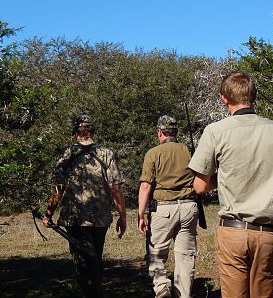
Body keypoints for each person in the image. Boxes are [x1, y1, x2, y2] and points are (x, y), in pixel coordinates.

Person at [188, 71, 273, 298]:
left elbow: (199, 186)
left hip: (234, 232)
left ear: (224, 98)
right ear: (253, 96)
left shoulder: (215, 131)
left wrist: (225, 176)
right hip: (269, 234)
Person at [42, 115, 126, 298]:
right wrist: (122, 216)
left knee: (84, 266)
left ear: (75, 134)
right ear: (92, 132)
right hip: (100, 220)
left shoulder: (67, 155)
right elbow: (116, 188)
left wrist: (48, 214)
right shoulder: (106, 154)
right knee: (95, 259)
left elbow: (58, 189)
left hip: (76, 220)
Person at [138, 115, 198, 298]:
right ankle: (184, 295)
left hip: (163, 209)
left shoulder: (153, 153)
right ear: (175, 132)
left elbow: (146, 185)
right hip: (189, 207)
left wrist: (141, 214)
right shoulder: (188, 151)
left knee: (156, 252)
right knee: (185, 256)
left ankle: (162, 286)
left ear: (159, 132)